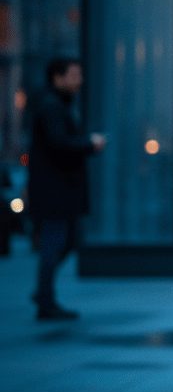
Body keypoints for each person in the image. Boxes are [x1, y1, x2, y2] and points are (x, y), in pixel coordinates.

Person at [28, 57, 105, 320]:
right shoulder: (52, 106)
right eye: (73, 75)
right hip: (54, 190)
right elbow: (59, 142)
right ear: (57, 78)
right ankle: (44, 297)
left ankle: (43, 293)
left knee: (65, 240)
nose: (79, 81)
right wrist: (89, 144)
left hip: (58, 189)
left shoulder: (57, 104)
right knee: (55, 242)